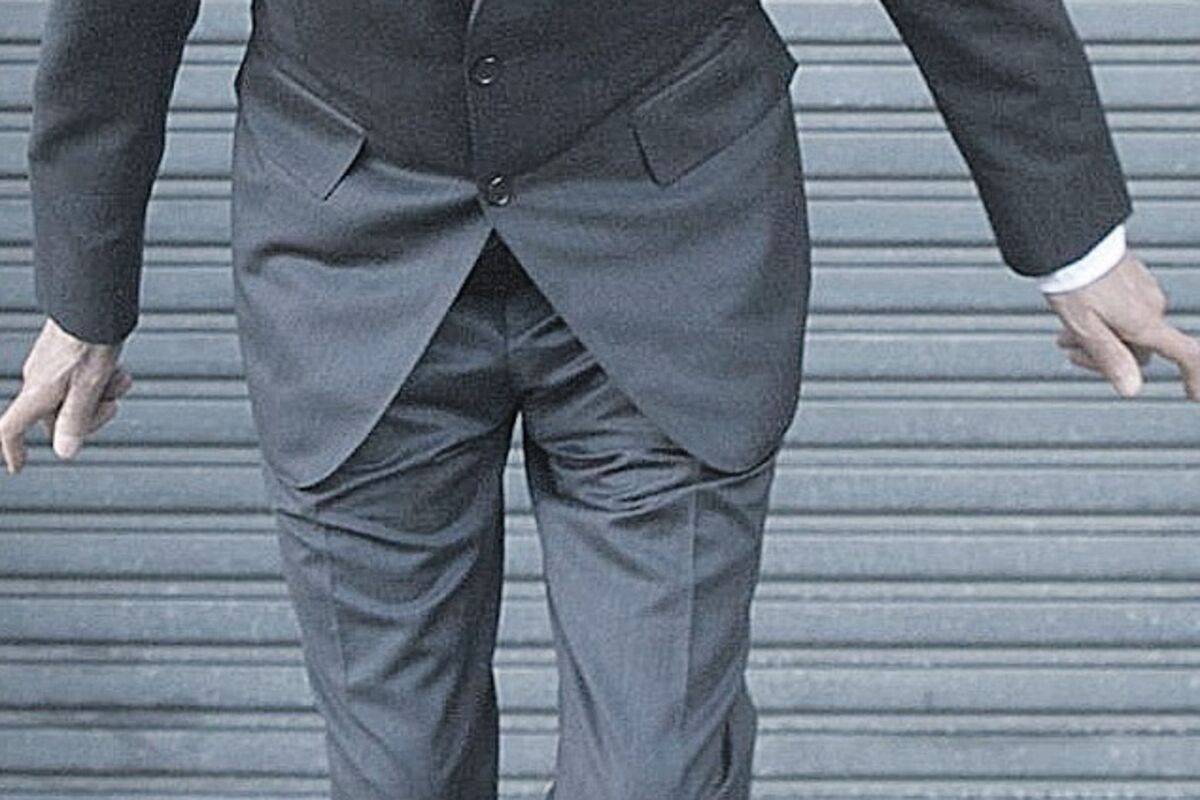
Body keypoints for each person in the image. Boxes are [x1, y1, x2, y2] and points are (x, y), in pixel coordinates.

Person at [2, 0, 1198, 797]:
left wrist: (1076, 243)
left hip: (671, 222)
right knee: (398, 770)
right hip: (349, 242)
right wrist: (84, 294)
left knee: (655, 769)